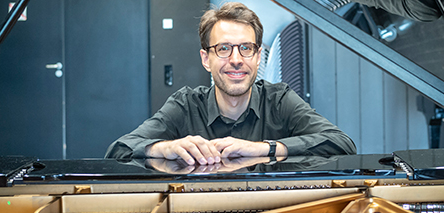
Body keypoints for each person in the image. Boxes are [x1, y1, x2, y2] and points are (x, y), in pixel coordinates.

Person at [105, 2, 356, 165]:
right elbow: (118, 151)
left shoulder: (279, 100)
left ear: (257, 57)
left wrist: (264, 148)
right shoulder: (185, 105)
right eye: (224, 48)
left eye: (246, 48)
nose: (236, 60)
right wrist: (165, 147)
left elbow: (342, 144)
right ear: (206, 58)